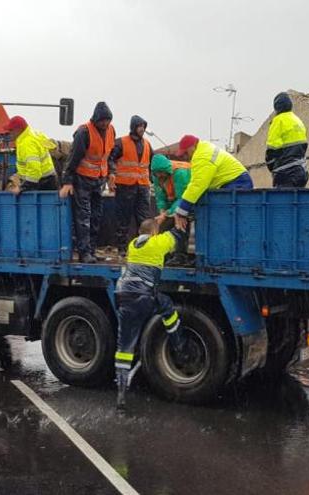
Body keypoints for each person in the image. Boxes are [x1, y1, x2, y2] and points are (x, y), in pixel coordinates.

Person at [114, 218, 186, 409]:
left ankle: (121, 392)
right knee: (167, 307)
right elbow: (177, 235)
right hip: (144, 297)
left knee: (124, 348)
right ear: (154, 233)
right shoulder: (158, 242)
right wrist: (179, 221)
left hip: (123, 296)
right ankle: (179, 345)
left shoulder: (132, 245)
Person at [60, 102, 116, 263]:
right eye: (102, 120)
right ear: (96, 119)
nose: (105, 123)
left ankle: (91, 250)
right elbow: (72, 159)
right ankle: (84, 252)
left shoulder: (111, 131)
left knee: (96, 216)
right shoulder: (84, 132)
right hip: (82, 180)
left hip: (99, 180)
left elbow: (109, 155)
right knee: (83, 217)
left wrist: (112, 172)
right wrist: (68, 181)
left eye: (108, 120)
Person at [173, 135, 253, 231]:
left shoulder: (202, 157)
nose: (185, 157)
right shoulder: (203, 150)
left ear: (193, 147)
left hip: (238, 183)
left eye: (185, 153)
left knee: (222, 219)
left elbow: (197, 185)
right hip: (235, 181)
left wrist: (182, 210)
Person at [109, 115, 153, 257]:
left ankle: (143, 247)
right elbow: (110, 159)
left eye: (143, 126)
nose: (142, 129)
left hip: (143, 187)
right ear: (133, 127)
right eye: (140, 126)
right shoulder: (121, 143)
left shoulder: (147, 144)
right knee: (123, 219)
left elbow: (151, 164)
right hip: (125, 187)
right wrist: (112, 174)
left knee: (144, 219)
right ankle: (122, 248)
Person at [4, 116, 59, 193]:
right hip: (47, 181)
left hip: (43, 184)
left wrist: (21, 188)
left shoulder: (27, 143)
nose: (9, 133)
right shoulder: (31, 135)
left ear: (18, 130)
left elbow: (34, 171)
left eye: (11, 130)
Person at [150, 154, 191, 256]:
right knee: (164, 225)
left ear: (167, 170)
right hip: (173, 202)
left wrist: (167, 214)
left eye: (161, 173)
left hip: (189, 199)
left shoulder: (180, 173)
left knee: (181, 223)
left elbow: (183, 198)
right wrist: (162, 211)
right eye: (157, 173)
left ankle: (180, 254)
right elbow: (160, 197)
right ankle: (166, 254)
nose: (159, 176)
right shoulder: (156, 176)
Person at [265, 92, 309, 188]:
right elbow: (304, 147)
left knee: (281, 201)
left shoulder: (278, 121)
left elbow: (272, 148)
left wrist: (272, 168)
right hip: (302, 172)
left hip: (286, 173)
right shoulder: (298, 121)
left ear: (276, 107)